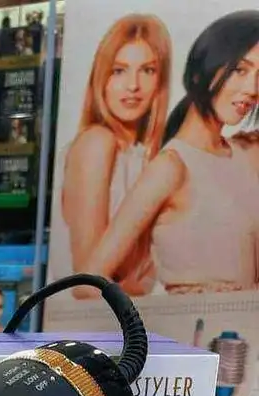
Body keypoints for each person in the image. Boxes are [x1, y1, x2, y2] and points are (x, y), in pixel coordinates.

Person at [83, 11, 259, 295]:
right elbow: (88, 283)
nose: (252, 89)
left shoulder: (247, 154)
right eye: (240, 70)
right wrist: (152, 316)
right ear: (204, 68)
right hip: (195, 320)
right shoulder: (171, 167)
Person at [53, 14, 172, 295]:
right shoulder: (97, 142)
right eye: (119, 71)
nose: (133, 85)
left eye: (147, 70)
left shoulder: (148, 157)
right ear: (101, 78)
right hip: (90, 316)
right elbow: (88, 283)